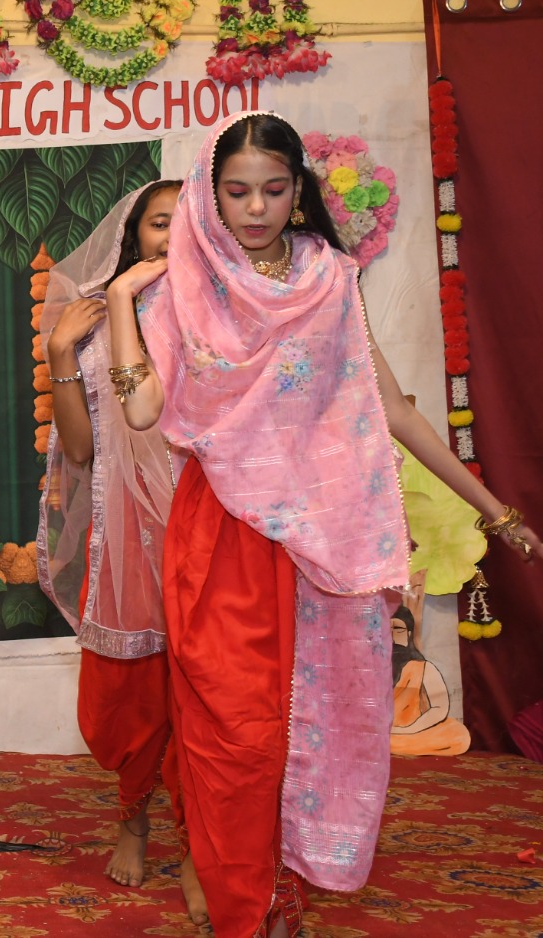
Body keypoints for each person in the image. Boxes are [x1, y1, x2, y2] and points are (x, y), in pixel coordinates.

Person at [104, 111, 539, 937]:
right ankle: (241, 908)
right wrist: (126, 298)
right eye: (237, 192)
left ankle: (280, 900)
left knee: (314, 731)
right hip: (222, 539)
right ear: (210, 195)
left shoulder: (329, 281)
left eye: (273, 189)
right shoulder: (184, 286)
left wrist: (498, 511)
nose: (255, 208)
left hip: (324, 544)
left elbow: (392, 409)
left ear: (298, 190)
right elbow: (140, 409)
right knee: (236, 740)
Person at [36, 180, 206, 924]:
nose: (173, 236)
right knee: (130, 695)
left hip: (210, 527)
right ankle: (133, 817)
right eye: (160, 223)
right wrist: (59, 350)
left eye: (188, 222)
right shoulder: (100, 322)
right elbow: (79, 449)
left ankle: (199, 844)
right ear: (133, 236)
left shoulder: (225, 314)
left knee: (208, 690)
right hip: (129, 536)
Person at [389, 606, 471, 756]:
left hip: (413, 729)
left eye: (398, 629)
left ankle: (389, 745)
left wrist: (409, 729)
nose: (392, 635)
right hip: (380, 729)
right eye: (387, 629)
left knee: (459, 735)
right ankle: (388, 744)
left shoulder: (423, 667)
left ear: (409, 634)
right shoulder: (370, 668)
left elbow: (439, 707)